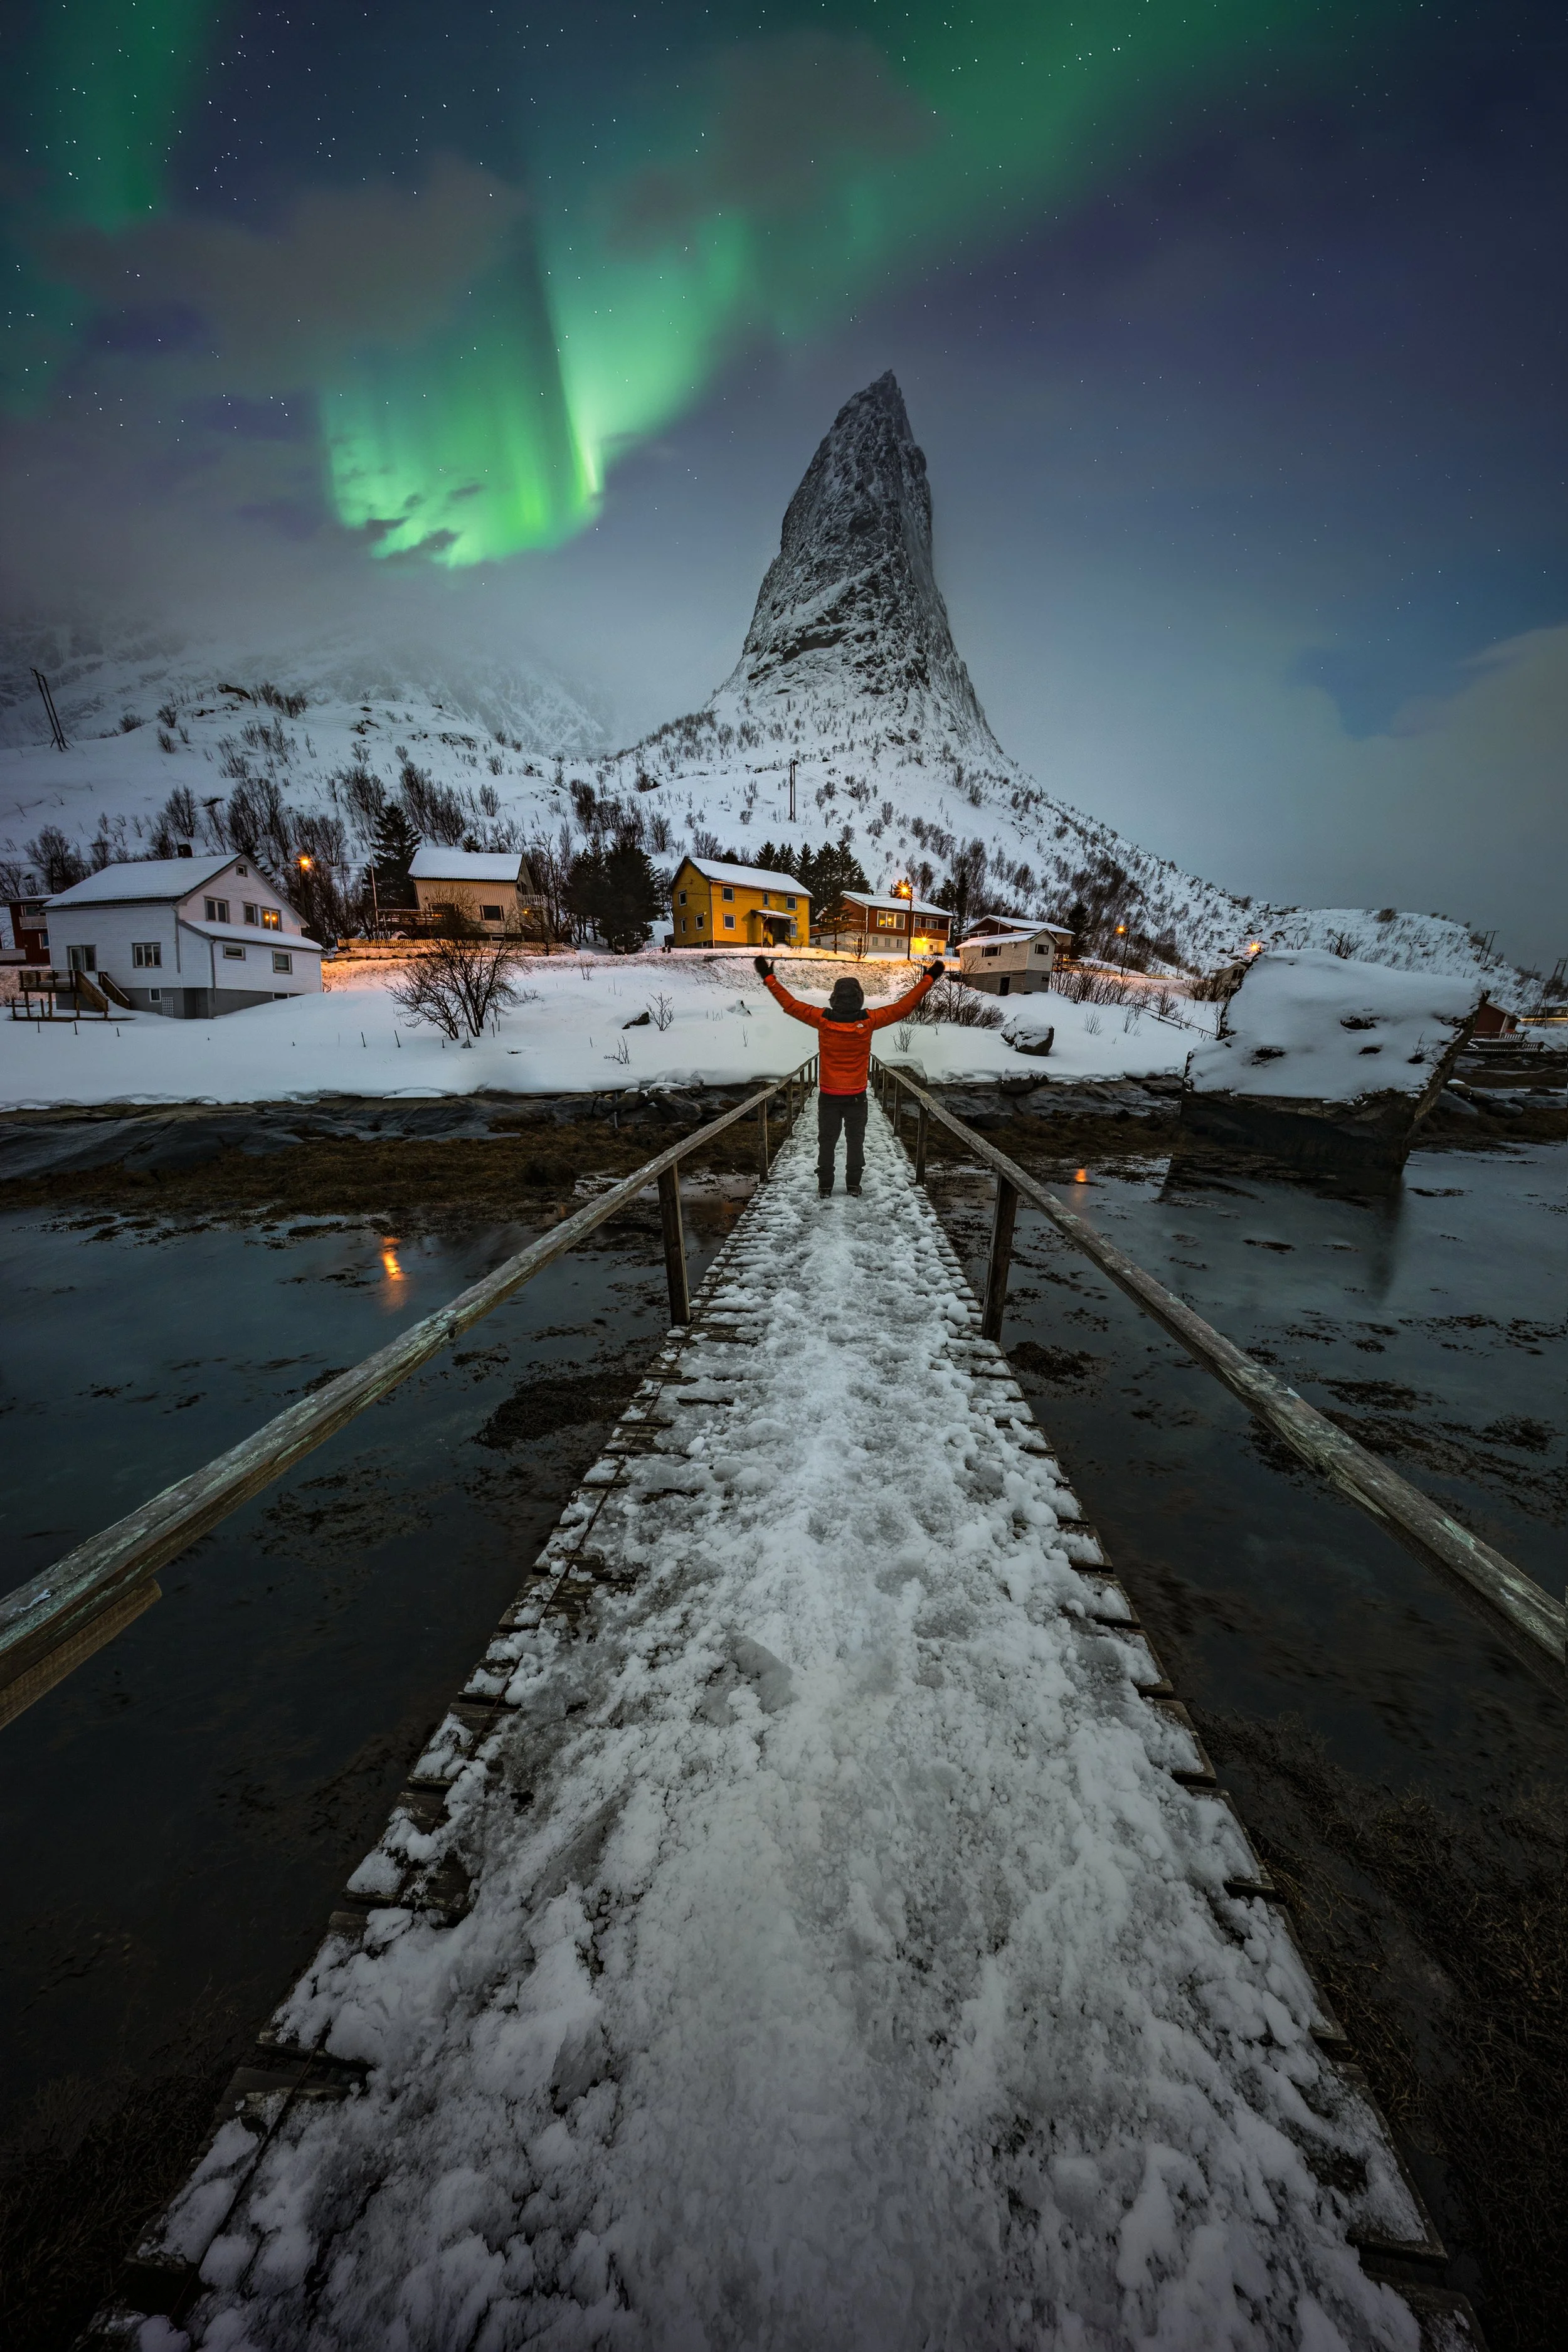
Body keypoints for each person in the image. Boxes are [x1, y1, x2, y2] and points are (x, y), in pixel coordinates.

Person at [755, 954, 944, 1197]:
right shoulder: (870, 1020)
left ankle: (825, 1187)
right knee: (856, 1143)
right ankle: (853, 1185)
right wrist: (930, 977)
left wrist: (768, 977)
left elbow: (789, 1004)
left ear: (834, 998)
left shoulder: (822, 1020)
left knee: (827, 1142)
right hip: (857, 1096)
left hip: (828, 1096)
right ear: (859, 998)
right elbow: (906, 1006)